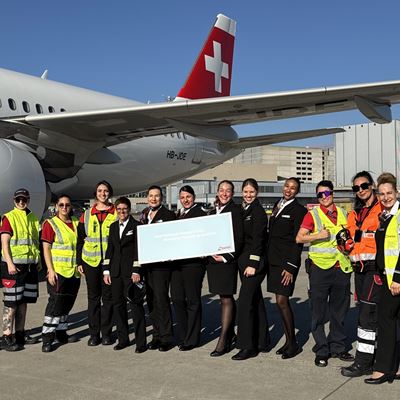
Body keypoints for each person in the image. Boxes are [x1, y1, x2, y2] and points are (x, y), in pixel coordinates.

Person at [296, 180, 353, 367]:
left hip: (342, 268)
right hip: (320, 269)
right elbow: (299, 237)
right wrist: (317, 236)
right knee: (319, 312)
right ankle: (321, 349)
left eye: (326, 193)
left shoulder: (345, 214)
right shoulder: (312, 215)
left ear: (332, 194)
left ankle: (337, 346)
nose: (323, 197)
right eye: (320, 195)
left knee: (339, 312)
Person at [341, 171, 383, 377]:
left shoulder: (382, 210)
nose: (361, 190)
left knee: (368, 316)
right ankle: (372, 357)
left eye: (364, 186)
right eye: (356, 188)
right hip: (358, 270)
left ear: (372, 185)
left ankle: (364, 362)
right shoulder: (353, 214)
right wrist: (343, 244)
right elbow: (349, 245)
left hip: (375, 269)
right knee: (365, 315)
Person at [365, 172, 400, 384]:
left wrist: (397, 277)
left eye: (389, 193)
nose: (386, 197)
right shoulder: (384, 216)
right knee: (395, 322)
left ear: (397, 192)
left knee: (385, 322)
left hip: (395, 280)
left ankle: (382, 369)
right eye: (382, 193)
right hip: (386, 278)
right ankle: (396, 367)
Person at [266, 177, 307, 359]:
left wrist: (290, 267)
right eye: (287, 186)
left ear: (297, 191)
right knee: (279, 301)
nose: (288, 190)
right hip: (274, 261)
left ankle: (293, 344)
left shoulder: (299, 210)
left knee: (283, 301)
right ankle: (289, 341)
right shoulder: (278, 204)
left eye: (293, 188)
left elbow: (297, 241)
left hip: (286, 263)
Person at [231, 178, 269, 361]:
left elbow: (259, 240)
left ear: (257, 193)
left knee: (245, 302)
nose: (248, 195)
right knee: (256, 301)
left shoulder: (258, 212)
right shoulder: (241, 209)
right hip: (242, 260)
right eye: (245, 192)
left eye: (251, 192)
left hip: (254, 263)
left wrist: (253, 264)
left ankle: (247, 346)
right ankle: (263, 340)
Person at [103, 197, 147, 353]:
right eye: (119, 209)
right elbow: (110, 249)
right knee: (118, 306)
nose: (122, 212)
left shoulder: (137, 226)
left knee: (136, 306)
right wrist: (106, 270)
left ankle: (141, 342)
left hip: (130, 273)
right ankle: (123, 340)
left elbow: (139, 250)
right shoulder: (113, 227)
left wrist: (137, 270)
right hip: (115, 273)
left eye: (124, 209)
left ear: (129, 209)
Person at [206, 180, 243, 357]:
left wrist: (227, 257)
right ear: (217, 192)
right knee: (222, 297)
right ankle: (231, 333)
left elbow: (239, 237)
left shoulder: (235, 211)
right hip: (214, 262)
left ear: (232, 193)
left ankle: (223, 340)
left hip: (226, 261)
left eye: (228, 191)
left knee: (227, 297)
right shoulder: (213, 210)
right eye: (222, 190)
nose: (224, 193)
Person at [77, 180, 116, 346]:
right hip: (90, 262)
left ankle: (106, 333)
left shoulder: (115, 212)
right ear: (96, 193)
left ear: (109, 193)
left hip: (109, 263)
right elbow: (79, 239)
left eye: (105, 191)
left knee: (108, 299)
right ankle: (94, 334)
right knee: (93, 299)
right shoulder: (86, 215)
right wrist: (79, 261)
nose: (103, 193)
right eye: (100, 191)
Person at [0, 188, 40, 351]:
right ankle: (6, 335)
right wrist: (9, 263)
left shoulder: (33, 218)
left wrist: (38, 260)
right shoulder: (9, 217)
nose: (21, 202)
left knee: (24, 301)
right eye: (18, 200)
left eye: (24, 200)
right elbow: (5, 243)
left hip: (30, 266)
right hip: (14, 266)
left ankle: (20, 333)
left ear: (28, 200)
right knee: (11, 302)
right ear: (14, 201)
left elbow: (34, 241)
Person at [41, 194, 81, 352]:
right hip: (58, 271)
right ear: (56, 206)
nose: (65, 208)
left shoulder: (76, 223)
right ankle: (47, 337)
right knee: (55, 304)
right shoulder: (51, 224)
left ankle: (61, 332)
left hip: (73, 272)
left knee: (67, 303)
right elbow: (46, 248)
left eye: (67, 205)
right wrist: (50, 270)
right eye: (62, 205)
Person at [140, 185, 175, 352]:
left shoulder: (168, 215)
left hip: (161, 266)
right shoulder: (144, 215)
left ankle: (167, 337)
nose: (153, 199)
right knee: (152, 301)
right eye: (151, 196)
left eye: (157, 196)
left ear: (162, 198)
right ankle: (156, 334)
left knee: (162, 300)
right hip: (147, 265)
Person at [171, 185, 206, 351]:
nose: (185, 200)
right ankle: (184, 335)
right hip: (177, 264)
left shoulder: (200, 214)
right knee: (177, 299)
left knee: (192, 301)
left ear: (194, 197)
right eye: (182, 197)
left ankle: (192, 339)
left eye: (188, 197)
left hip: (193, 265)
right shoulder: (178, 215)